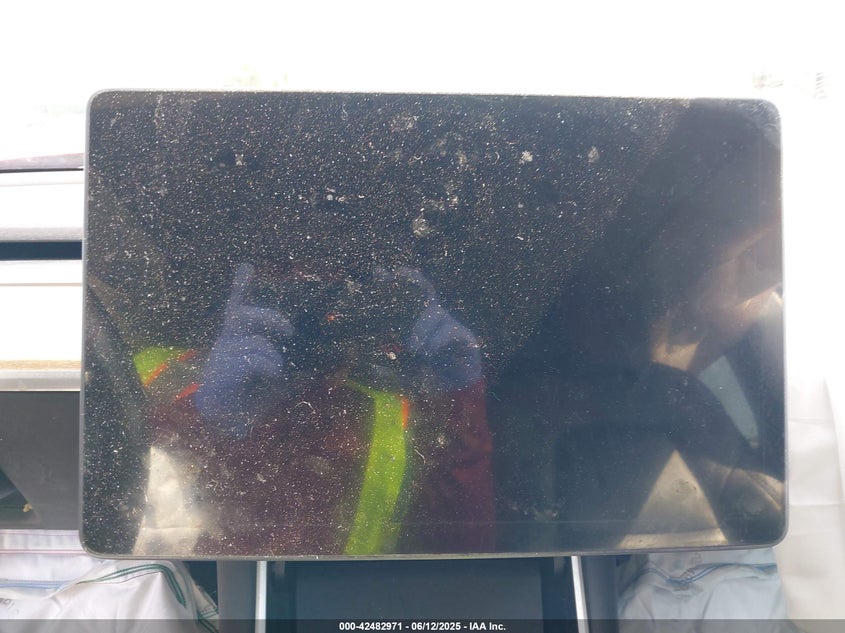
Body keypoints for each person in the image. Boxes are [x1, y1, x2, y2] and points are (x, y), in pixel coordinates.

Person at [136, 263, 495, 556]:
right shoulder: (151, 376)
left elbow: (464, 566)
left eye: (338, 286)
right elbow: (138, 554)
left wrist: (460, 395)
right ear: (246, 289)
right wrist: (209, 419)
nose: (315, 307)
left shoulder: (397, 413)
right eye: (287, 279)